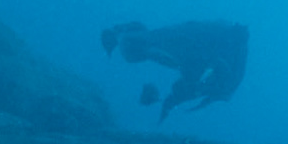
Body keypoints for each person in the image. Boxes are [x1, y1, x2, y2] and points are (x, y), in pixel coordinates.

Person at [100, 19, 248, 120]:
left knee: (152, 45)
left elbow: (195, 64)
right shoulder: (159, 42)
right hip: (202, 48)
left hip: (206, 51)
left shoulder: (227, 58)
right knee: (152, 44)